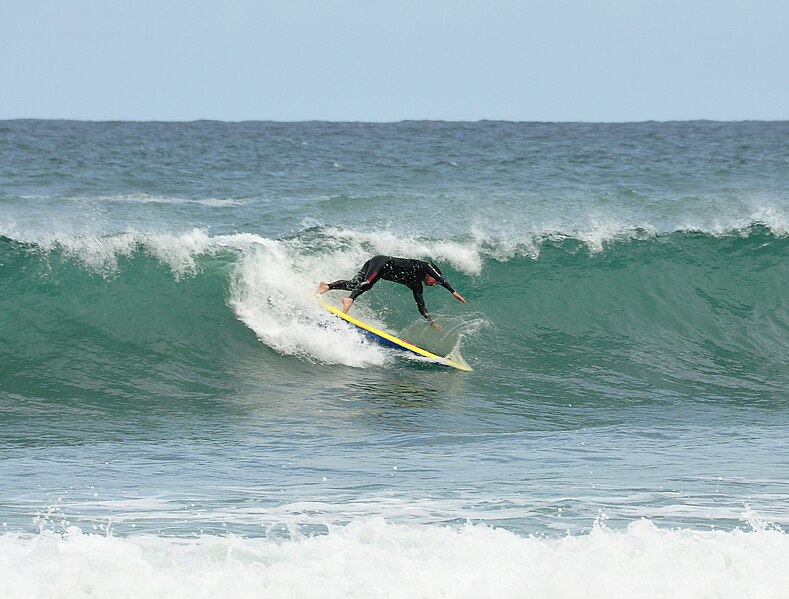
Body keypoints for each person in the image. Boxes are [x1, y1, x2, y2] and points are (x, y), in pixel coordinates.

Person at [316, 255, 466, 328]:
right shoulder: (424, 266)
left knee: (354, 284)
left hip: (377, 269)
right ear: (431, 275)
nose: (435, 284)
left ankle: (326, 286)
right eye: (435, 282)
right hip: (381, 262)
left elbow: (420, 304)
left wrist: (431, 321)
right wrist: (453, 291)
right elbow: (440, 277)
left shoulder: (416, 284)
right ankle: (349, 299)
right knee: (367, 284)